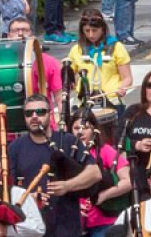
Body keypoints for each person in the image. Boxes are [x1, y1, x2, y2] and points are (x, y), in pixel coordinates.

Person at [5, 94, 101, 237]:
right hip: (30, 226)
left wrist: (68, 185)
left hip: (66, 227)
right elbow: (7, 187)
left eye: (40, 112)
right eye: (29, 113)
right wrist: (28, 196)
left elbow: (95, 173)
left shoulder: (68, 141)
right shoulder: (15, 148)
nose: (34, 116)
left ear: (50, 114)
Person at [68, 108, 132, 237]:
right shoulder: (65, 154)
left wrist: (104, 195)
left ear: (94, 130)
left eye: (85, 127)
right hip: (74, 223)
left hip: (103, 222)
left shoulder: (105, 151)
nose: (81, 132)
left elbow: (129, 181)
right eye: (76, 128)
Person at [65, 10, 133, 106]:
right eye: (87, 31)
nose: (91, 35)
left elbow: (127, 78)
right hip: (83, 102)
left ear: (102, 29)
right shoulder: (76, 50)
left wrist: (122, 88)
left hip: (112, 100)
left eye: (94, 30)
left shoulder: (117, 47)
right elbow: (69, 76)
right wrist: (69, 82)